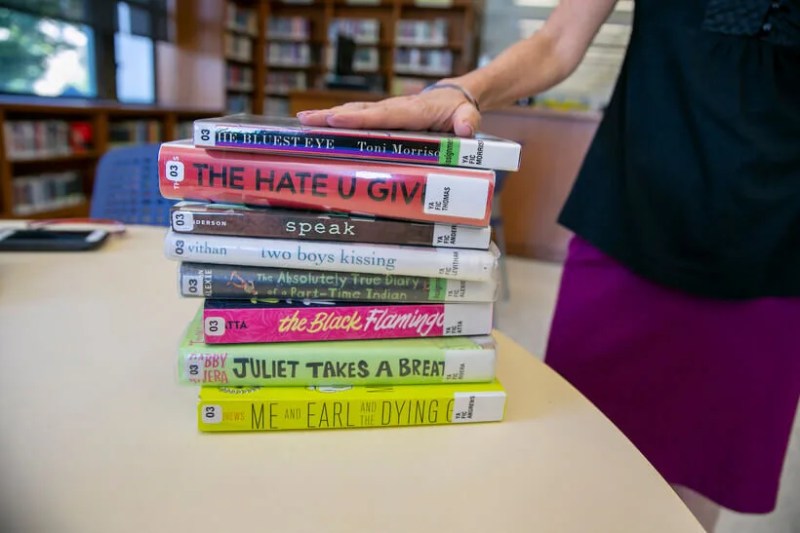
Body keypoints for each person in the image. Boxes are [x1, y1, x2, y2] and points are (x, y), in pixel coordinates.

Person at [298, 0, 800, 530]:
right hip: (629, 212)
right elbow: (557, 41)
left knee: (696, 477)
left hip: (772, 243)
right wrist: (461, 90)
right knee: (571, 445)